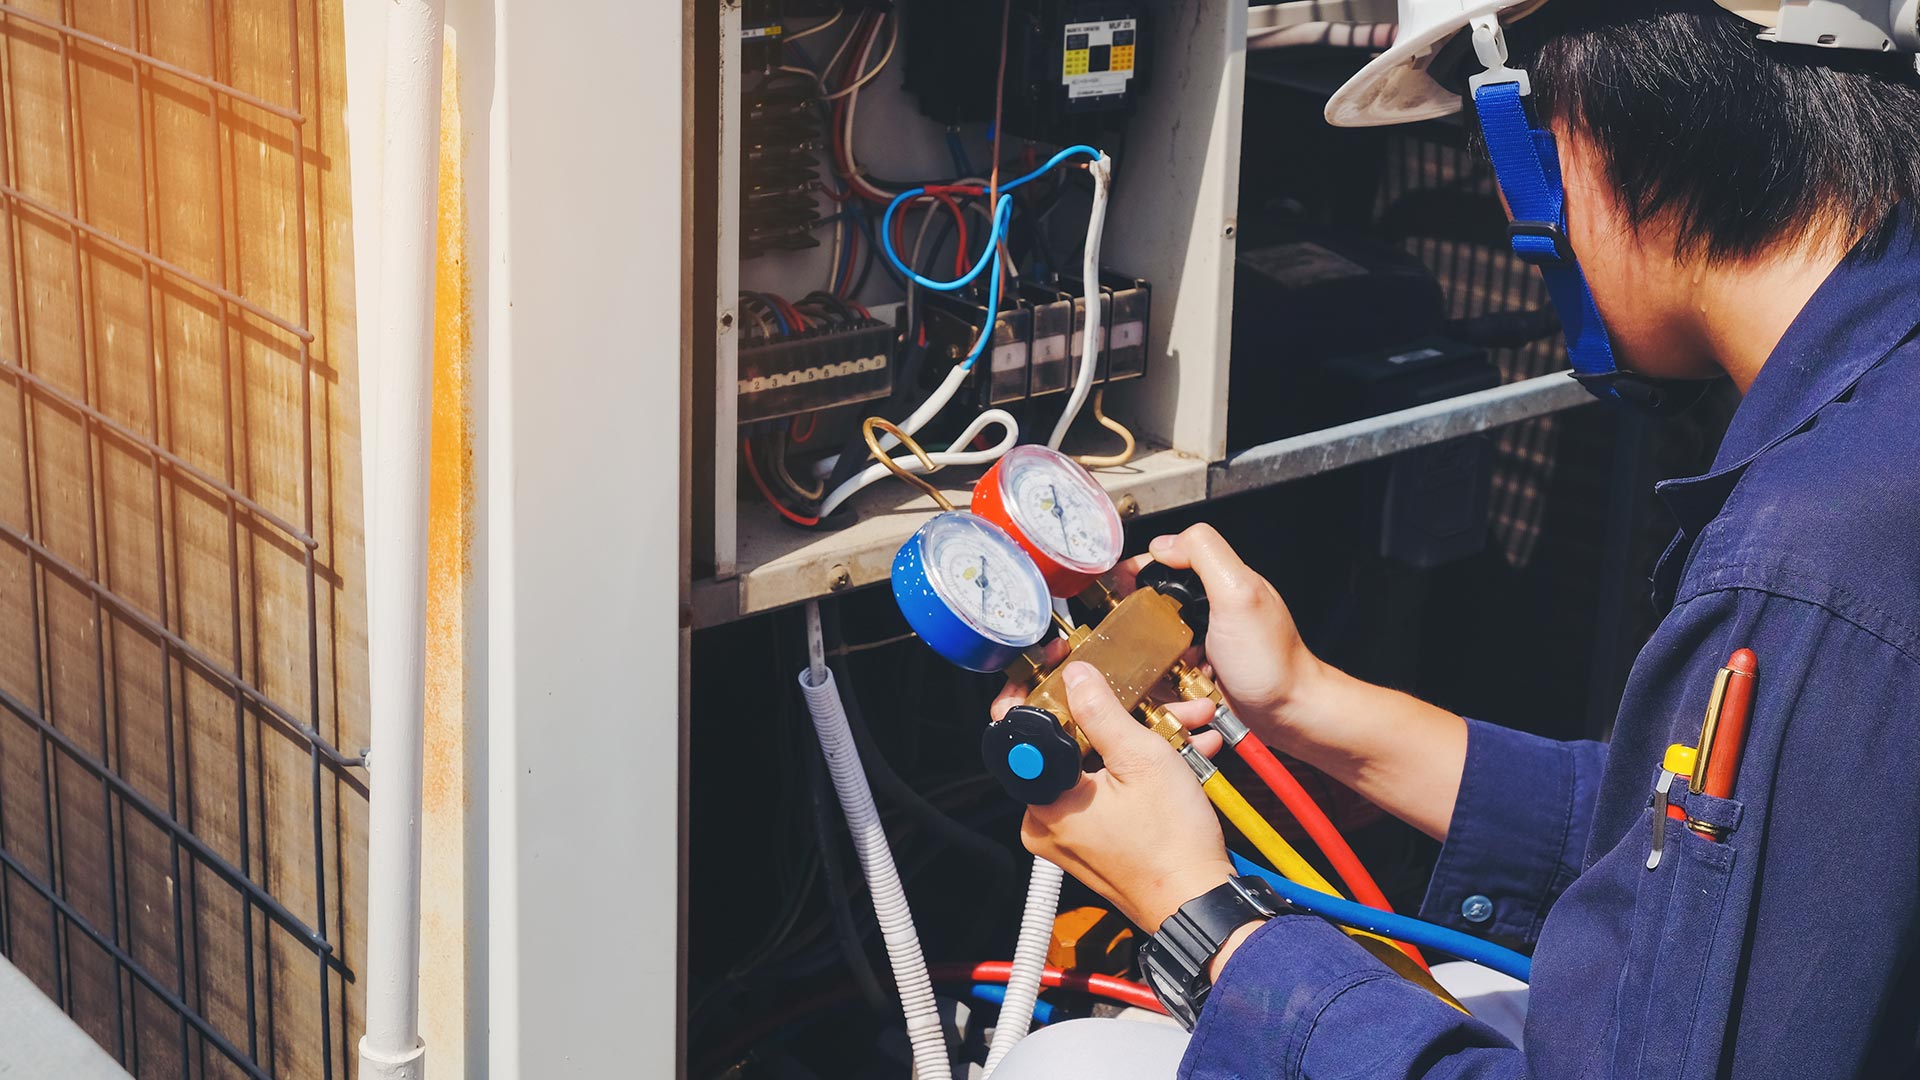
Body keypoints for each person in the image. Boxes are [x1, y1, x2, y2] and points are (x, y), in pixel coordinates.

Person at [994, 1, 1920, 1076]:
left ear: (1565, 135)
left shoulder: (1814, 562)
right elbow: (1712, 862)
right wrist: (1302, 699)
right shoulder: (1870, 448)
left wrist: (1198, 918)